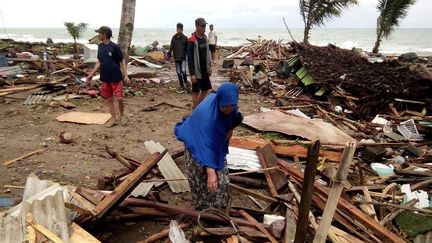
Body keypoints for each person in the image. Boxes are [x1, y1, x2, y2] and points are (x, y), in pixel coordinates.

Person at [175, 82, 243, 210]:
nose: (229, 109)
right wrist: (211, 172)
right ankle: (203, 206)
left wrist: (228, 131)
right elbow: (205, 147)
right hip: (196, 141)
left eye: (232, 106)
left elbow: (234, 120)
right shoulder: (208, 119)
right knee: (202, 175)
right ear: (220, 102)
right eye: (226, 107)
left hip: (212, 140)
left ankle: (218, 203)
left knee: (220, 173)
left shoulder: (230, 105)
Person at [86, 26, 130, 127]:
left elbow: (121, 60)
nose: (98, 35)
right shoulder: (100, 47)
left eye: (99, 33)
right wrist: (91, 74)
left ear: (104, 35)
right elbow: (99, 61)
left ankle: (122, 116)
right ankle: (113, 118)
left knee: (119, 98)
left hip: (115, 77)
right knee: (109, 99)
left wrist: (126, 75)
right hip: (105, 77)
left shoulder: (114, 47)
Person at [188, 17, 212, 108]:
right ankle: (196, 110)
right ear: (197, 27)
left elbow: (208, 53)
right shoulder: (192, 40)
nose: (204, 28)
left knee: (205, 89)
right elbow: (190, 58)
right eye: (202, 26)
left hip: (204, 69)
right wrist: (192, 74)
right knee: (195, 91)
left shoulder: (205, 38)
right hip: (196, 70)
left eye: (204, 26)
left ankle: (197, 108)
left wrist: (209, 67)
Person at [167, 23, 189, 91]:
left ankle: (186, 81)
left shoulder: (185, 38)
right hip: (176, 57)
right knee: (179, 72)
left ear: (182, 30)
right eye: (177, 29)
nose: (178, 30)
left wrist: (188, 56)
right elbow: (171, 46)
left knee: (183, 71)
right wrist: (169, 54)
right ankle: (181, 85)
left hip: (183, 57)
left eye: (179, 29)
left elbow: (187, 49)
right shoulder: (174, 37)